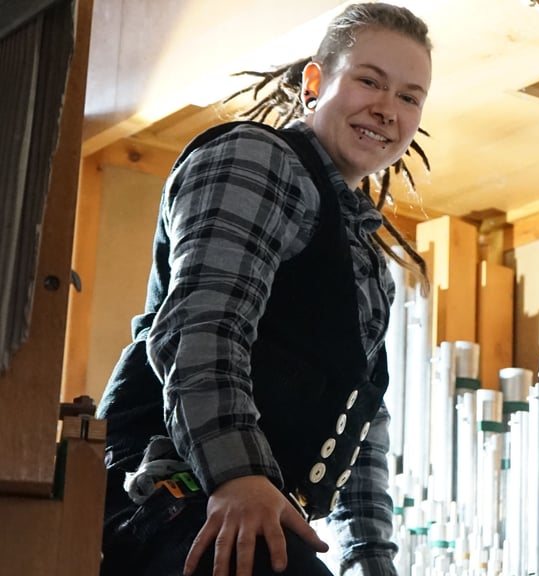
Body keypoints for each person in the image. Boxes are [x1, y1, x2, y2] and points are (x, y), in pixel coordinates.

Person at [96, 4, 432, 575]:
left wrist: (372, 561)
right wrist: (238, 473)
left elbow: (360, 426)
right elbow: (201, 328)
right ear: (315, 83)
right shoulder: (257, 160)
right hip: (162, 489)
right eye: (369, 80)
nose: (387, 108)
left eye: (409, 96)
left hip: (246, 498)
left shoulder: (369, 268)